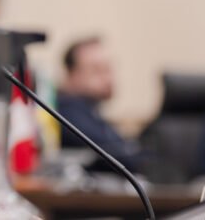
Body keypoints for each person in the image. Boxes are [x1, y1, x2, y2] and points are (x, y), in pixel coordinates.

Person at [57, 36, 142, 172]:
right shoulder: (67, 114)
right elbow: (121, 157)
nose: (107, 78)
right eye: (97, 70)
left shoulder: (91, 112)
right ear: (72, 75)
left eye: (108, 69)